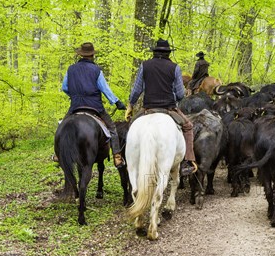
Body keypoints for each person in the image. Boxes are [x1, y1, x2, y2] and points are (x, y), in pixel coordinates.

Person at [126, 39, 197, 176]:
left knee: (131, 127)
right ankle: (188, 161)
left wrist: (131, 105)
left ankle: (126, 158)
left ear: (154, 52)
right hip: (168, 108)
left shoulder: (144, 65)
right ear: (168, 53)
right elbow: (181, 94)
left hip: (147, 108)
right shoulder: (174, 67)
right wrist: (175, 97)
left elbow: (136, 90)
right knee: (188, 127)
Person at [60, 42, 126, 168]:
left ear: (81, 55)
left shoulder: (71, 69)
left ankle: (58, 153)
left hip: (75, 106)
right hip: (95, 106)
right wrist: (117, 102)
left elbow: (65, 87)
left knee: (62, 127)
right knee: (112, 129)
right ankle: (117, 157)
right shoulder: (96, 70)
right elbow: (105, 89)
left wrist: (74, 95)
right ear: (92, 55)